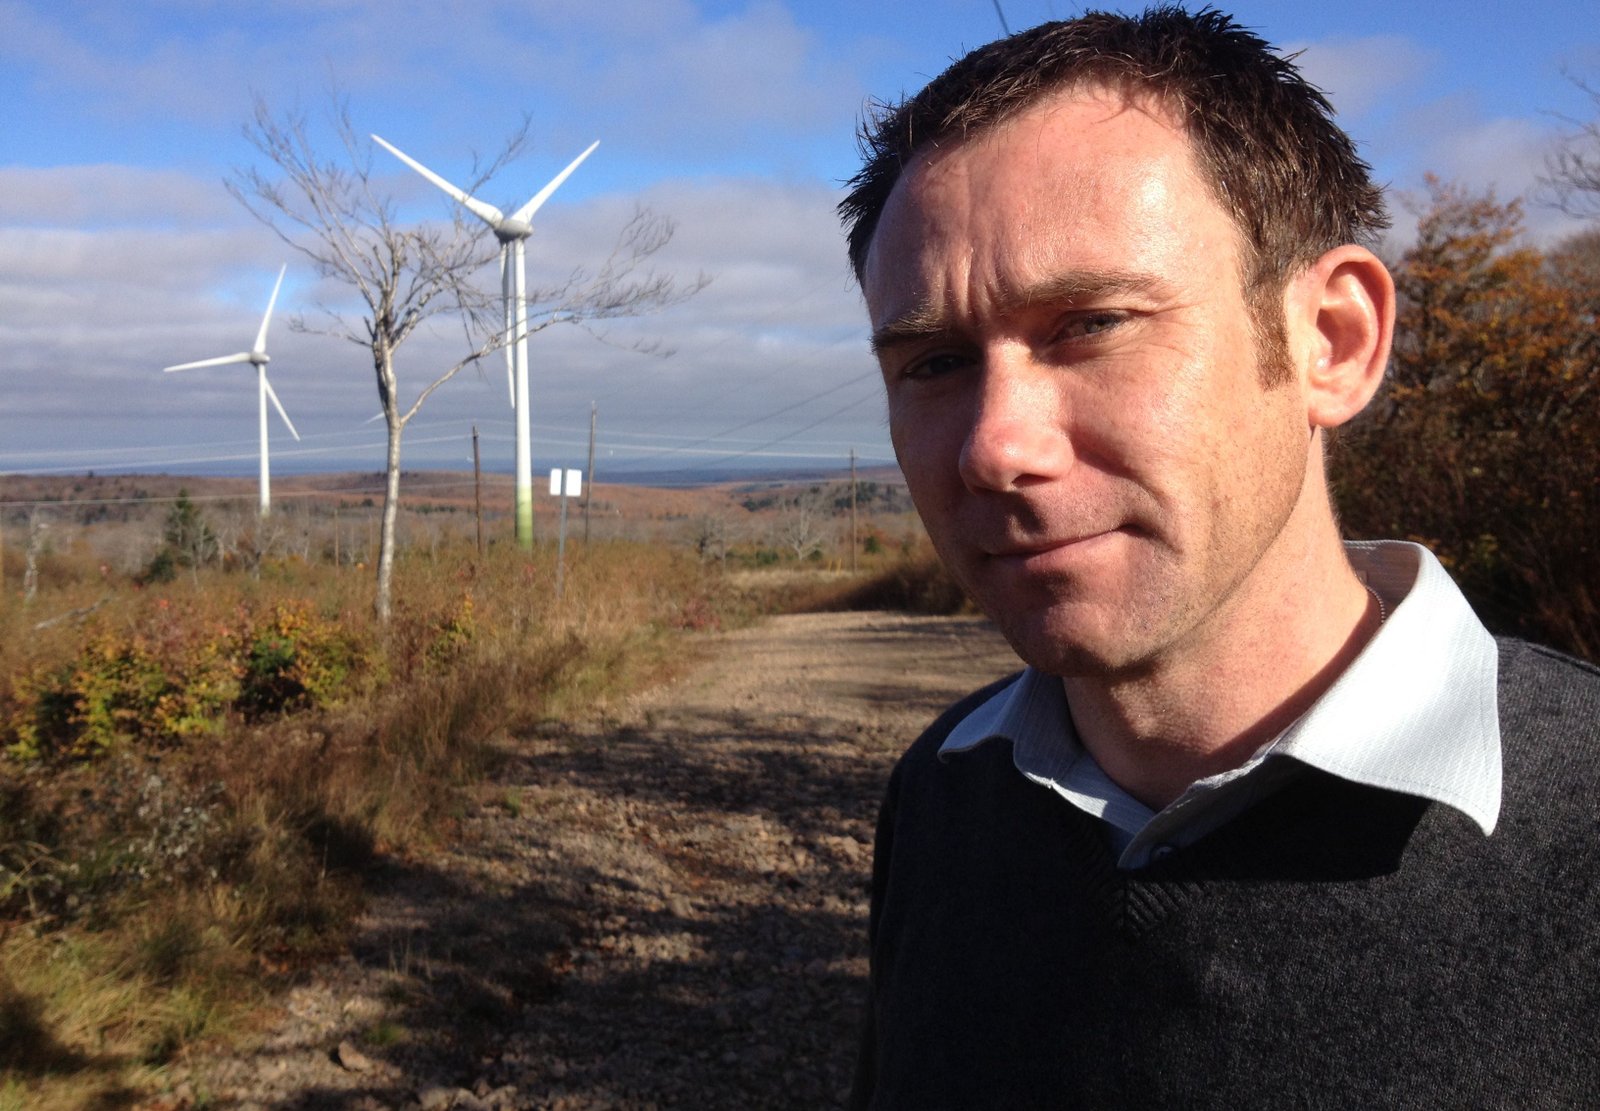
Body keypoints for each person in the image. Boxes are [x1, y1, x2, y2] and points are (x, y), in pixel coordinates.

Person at [838, 7, 1600, 1108]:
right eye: (934, 362)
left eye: (1090, 323)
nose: (993, 447)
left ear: (1330, 343)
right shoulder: (946, 786)